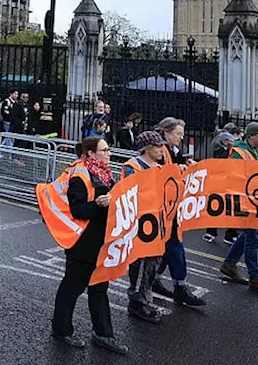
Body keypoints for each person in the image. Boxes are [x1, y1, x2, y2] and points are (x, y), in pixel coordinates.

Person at [49, 137, 128, 355]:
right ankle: (61, 329)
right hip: (82, 243)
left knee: (99, 287)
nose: (109, 153)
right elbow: (78, 210)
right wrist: (98, 204)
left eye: (109, 150)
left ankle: (103, 334)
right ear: (91, 154)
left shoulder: (103, 172)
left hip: (100, 241)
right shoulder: (81, 174)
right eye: (105, 150)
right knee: (72, 287)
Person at [218, 123, 258, 296]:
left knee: (248, 234)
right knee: (254, 237)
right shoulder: (239, 153)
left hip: (256, 200)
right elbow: (234, 176)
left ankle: (229, 264)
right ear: (252, 136)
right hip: (245, 201)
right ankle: (255, 277)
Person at [149, 117, 206, 309]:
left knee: (167, 248)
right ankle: (179, 287)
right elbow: (158, 173)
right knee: (174, 246)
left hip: (171, 206)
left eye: (182, 134)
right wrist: (177, 168)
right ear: (166, 132)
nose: (181, 138)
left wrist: (183, 162)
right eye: (178, 134)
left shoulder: (171, 150)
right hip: (163, 208)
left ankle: (155, 279)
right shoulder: (160, 150)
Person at [122, 130, 170, 324]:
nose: (162, 149)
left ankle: (145, 297)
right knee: (139, 263)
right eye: (158, 146)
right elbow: (131, 192)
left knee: (153, 262)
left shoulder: (160, 167)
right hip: (140, 223)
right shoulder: (132, 166)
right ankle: (136, 301)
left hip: (157, 222)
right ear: (147, 148)